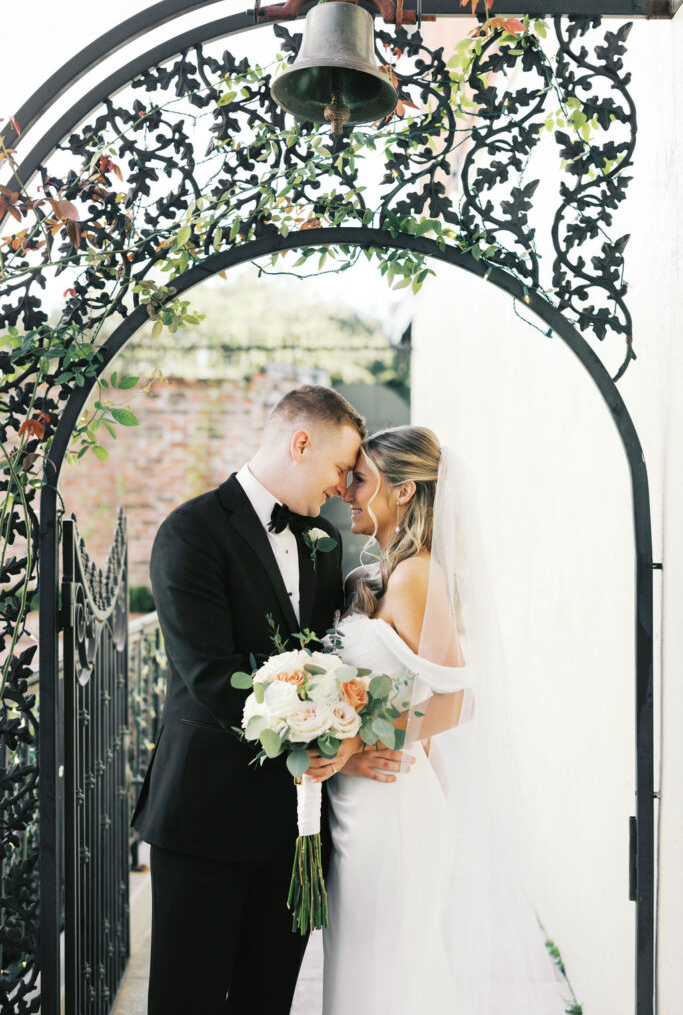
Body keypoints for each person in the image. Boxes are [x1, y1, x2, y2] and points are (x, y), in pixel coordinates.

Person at [309, 426, 574, 1015]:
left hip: (391, 804)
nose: (347, 492)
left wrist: (355, 742)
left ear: (401, 492)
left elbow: (459, 701)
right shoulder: (378, 575)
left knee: (386, 970)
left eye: (361, 479)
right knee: (361, 964)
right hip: (359, 802)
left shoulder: (418, 574)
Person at [130, 384, 365, 1015]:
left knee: (267, 1002)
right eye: (342, 468)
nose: (345, 487)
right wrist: (308, 733)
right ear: (300, 442)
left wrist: (337, 734)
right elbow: (212, 677)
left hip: (290, 827)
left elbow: (327, 660)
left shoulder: (325, 542)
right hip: (204, 818)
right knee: (188, 1001)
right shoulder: (190, 531)